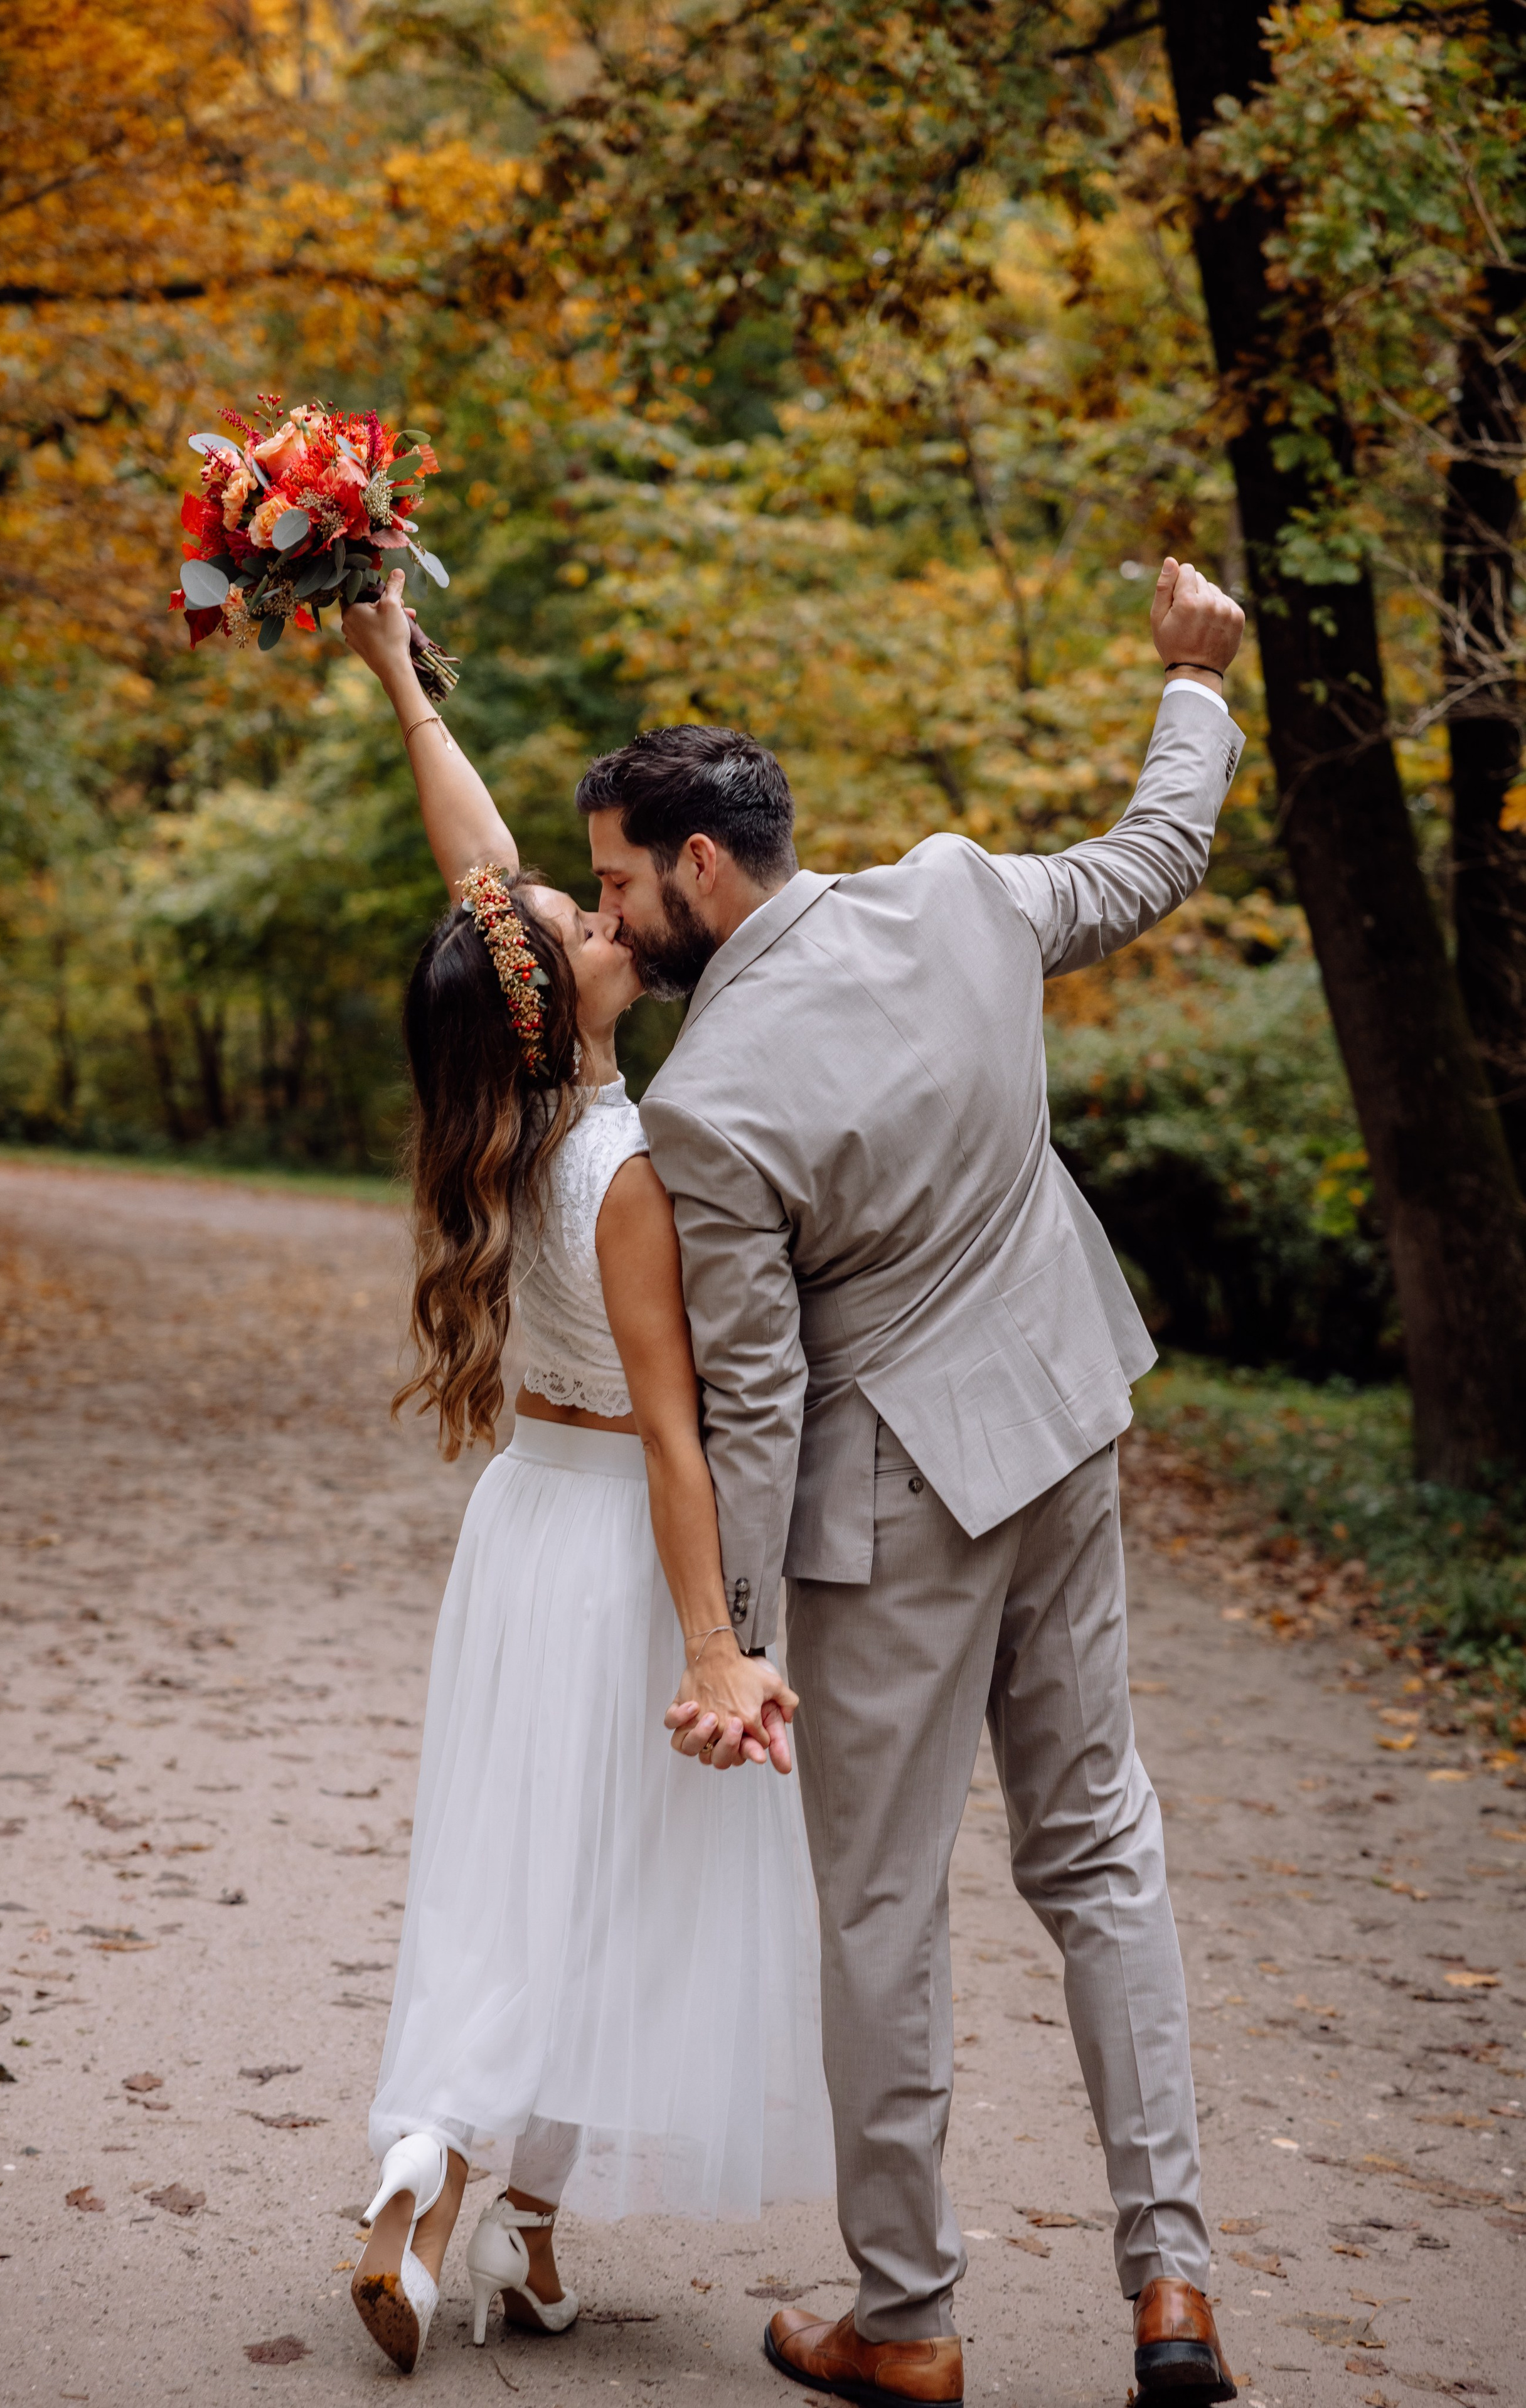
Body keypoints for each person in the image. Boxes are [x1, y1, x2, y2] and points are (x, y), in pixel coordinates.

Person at [577, 557, 1247, 2408]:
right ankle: (1174, 2290)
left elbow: (763, 1397)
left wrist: (748, 1649)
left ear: (704, 868)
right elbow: (1145, 865)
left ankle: (911, 2315)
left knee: (882, 1905)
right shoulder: (957, 893)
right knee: (1101, 1842)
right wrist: (1193, 685)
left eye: (624, 883)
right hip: (1067, 1417)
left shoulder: (707, 1104)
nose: (618, 919)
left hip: (900, 1507)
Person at [338, 572, 833, 2380]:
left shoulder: (508, 1093)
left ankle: (496, 2218)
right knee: (597, 1891)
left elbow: (484, 890)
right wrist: (715, 1648)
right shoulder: (618, 1161)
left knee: (508, 1869)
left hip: (518, 1531)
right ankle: (450, 2165)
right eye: (587, 916)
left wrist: (401, 671)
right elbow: (676, 1430)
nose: (601, 913)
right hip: (621, 1545)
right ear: (572, 994)